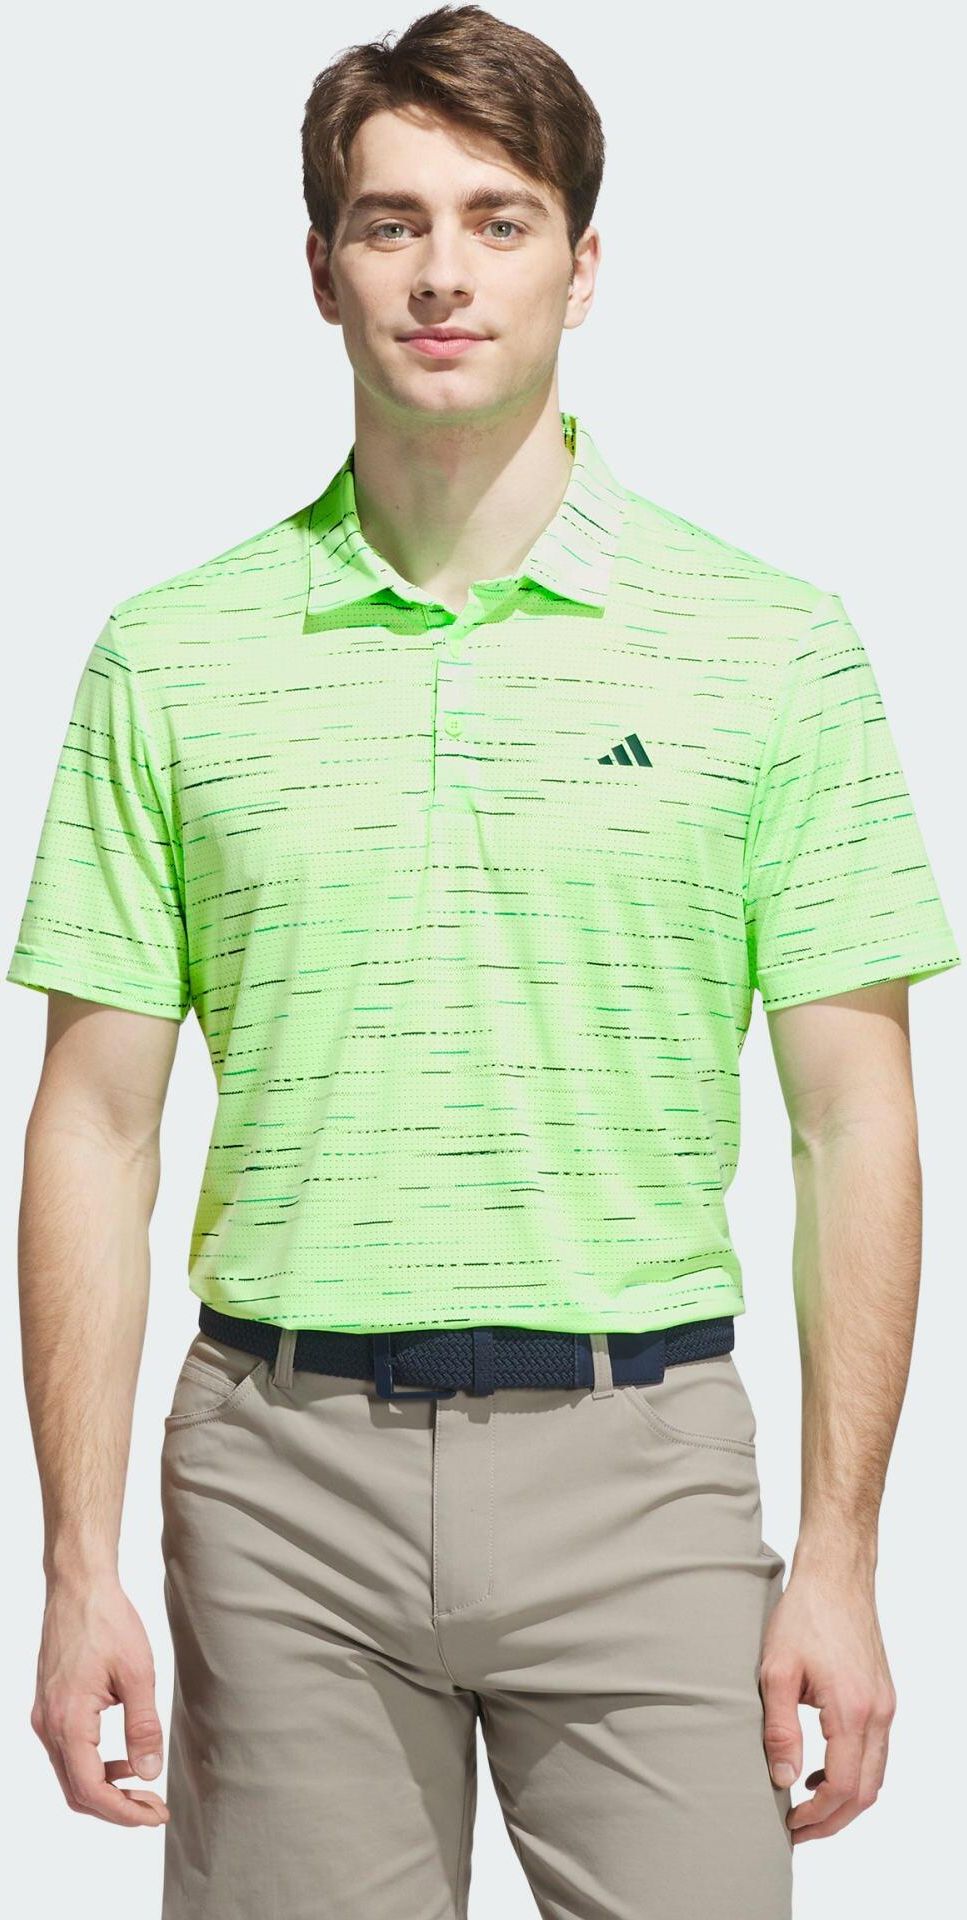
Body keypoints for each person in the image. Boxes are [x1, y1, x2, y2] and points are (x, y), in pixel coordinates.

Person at [8, 7, 960, 1916]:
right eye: (392, 222)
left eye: (499, 219)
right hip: (276, 1491)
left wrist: (846, 1563)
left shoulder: (770, 646)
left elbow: (855, 1126)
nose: (443, 271)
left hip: (646, 1473)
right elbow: (93, 1129)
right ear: (321, 268)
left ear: (582, 265)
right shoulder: (170, 657)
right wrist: (75, 1561)